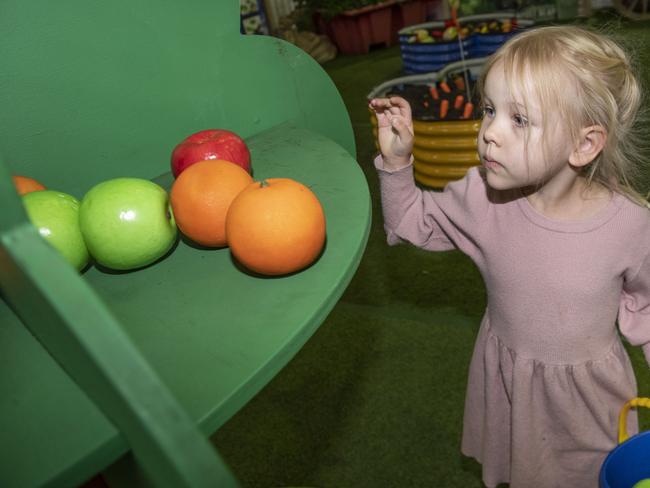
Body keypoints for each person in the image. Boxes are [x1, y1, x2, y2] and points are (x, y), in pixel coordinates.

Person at [369, 25, 650, 488]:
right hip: (511, 388)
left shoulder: (630, 224)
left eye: (519, 120)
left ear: (584, 144)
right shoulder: (481, 199)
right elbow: (408, 224)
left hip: (590, 404)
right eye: (490, 110)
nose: (488, 134)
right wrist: (399, 165)